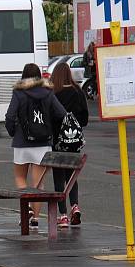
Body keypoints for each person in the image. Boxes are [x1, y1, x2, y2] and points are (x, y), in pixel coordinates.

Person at [5, 63, 66, 228]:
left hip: (22, 142)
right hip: (43, 143)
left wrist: (13, 132)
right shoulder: (48, 92)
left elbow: (10, 116)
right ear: (39, 76)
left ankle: (27, 210)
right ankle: (35, 219)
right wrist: (49, 129)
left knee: (20, 177)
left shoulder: (19, 93)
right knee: (38, 184)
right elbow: (61, 113)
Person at [50, 62, 88, 227]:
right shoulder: (78, 92)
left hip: (57, 143)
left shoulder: (53, 94)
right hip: (74, 143)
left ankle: (63, 216)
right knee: (72, 176)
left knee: (59, 179)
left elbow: (50, 118)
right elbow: (85, 119)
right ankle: (75, 206)